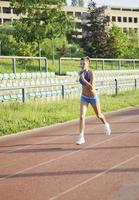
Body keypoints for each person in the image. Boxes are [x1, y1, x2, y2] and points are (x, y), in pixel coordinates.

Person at [76, 56, 111, 145]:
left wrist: (83, 79)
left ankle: (106, 125)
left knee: (99, 115)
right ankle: (81, 137)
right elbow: (77, 80)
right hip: (84, 97)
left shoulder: (91, 73)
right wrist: (78, 78)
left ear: (88, 64)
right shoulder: (80, 72)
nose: (82, 65)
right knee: (81, 116)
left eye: (84, 63)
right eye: (81, 63)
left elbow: (92, 87)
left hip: (92, 97)